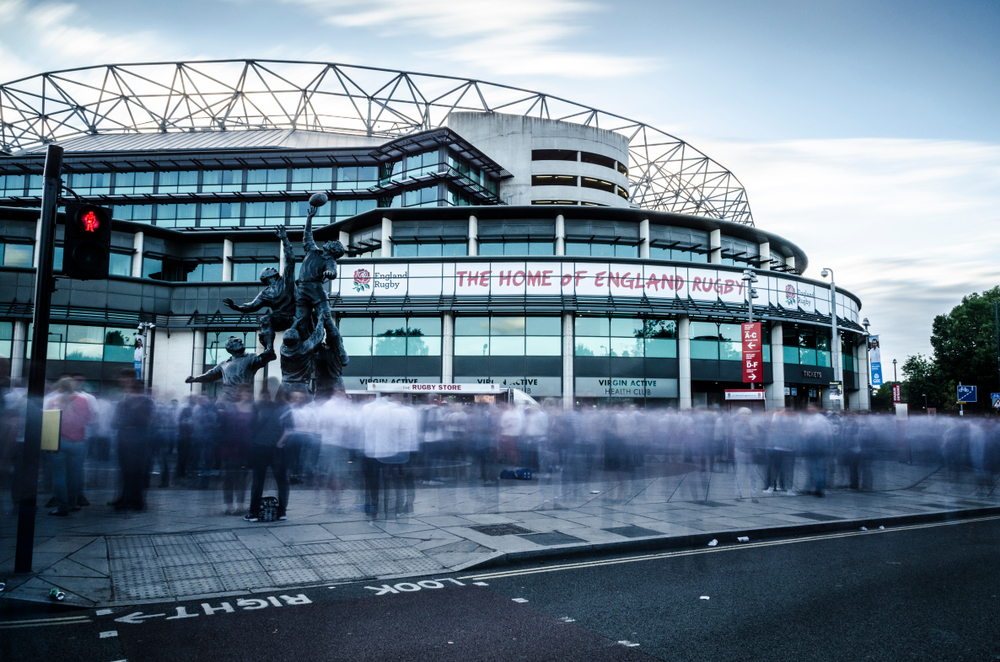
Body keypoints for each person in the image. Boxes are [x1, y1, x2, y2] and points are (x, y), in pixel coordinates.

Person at [223, 227, 296, 354]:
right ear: (266, 276)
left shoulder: (286, 280)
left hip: (298, 315)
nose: (272, 267)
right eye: (269, 268)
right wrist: (236, 307)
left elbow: (290, 259)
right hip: (281, 319)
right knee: (265, 319)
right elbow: (251, 306)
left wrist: (284, 239)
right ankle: (269, 349)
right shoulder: (265, 293)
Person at [43, 376, 94, 516]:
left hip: (57, 442)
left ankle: (61, 507)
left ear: (59, 387)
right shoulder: (83, 400)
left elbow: (47, 422)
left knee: (59, 476)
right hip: (78, 442)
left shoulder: (52, 401)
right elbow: (90, 419)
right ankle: (73, 503)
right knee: (74, 475)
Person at [246, 387, 292, 522]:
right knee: (282, 481)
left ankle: (254, 513)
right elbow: (289, 430)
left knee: (258, 480)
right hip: (277, 448)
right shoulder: (285, 406)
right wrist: (280, 442)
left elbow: (251, 425)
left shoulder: (257, 405)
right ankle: (282, 512)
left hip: (259, 446)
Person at [111, 375, 155, 512]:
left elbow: (116, 421)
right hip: (137, 440)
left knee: (129, 472)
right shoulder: (146, 402)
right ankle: (132, 499)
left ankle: (132, 500)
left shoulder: (129, 402)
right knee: (134, 472)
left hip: (130, 439)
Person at [185, 335, 274, 402]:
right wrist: (194, 379)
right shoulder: (224, 364)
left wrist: (268, 345)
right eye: (236, 341)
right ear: (230, 347)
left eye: (240, 340)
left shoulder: (251, 357)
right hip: (225, 397)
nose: (240, 341)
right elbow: (210, 375)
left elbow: (268, 357)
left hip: (243, 396)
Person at [220, 384, 254, 515]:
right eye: (244, 391)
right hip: (231, 446)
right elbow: (225, 427)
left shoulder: (253, 408)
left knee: (243, 477)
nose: (247, 393)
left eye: (249, 391)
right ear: (239, 393)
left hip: (246, 447)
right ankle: (229, 505)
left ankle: (241, 504)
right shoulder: (231, 408)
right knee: (229, 477)